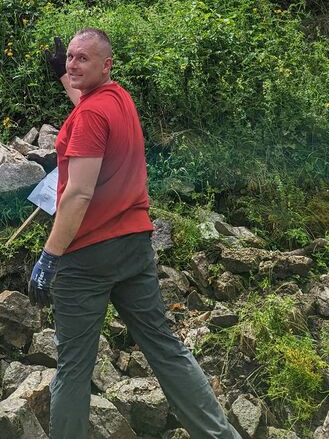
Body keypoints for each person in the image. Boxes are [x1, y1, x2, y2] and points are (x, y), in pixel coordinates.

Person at [29, 29, 241, 439]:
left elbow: (78, 192)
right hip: (134, 247)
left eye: (82, 59)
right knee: (165, 348)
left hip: (86, 255)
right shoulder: (116, 98)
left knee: (73, 368)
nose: (72, 64)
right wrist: (65, 77)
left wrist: (49, 257)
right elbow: (87, 108)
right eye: (69, 57)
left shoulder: (91, 115)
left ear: (106, 64)